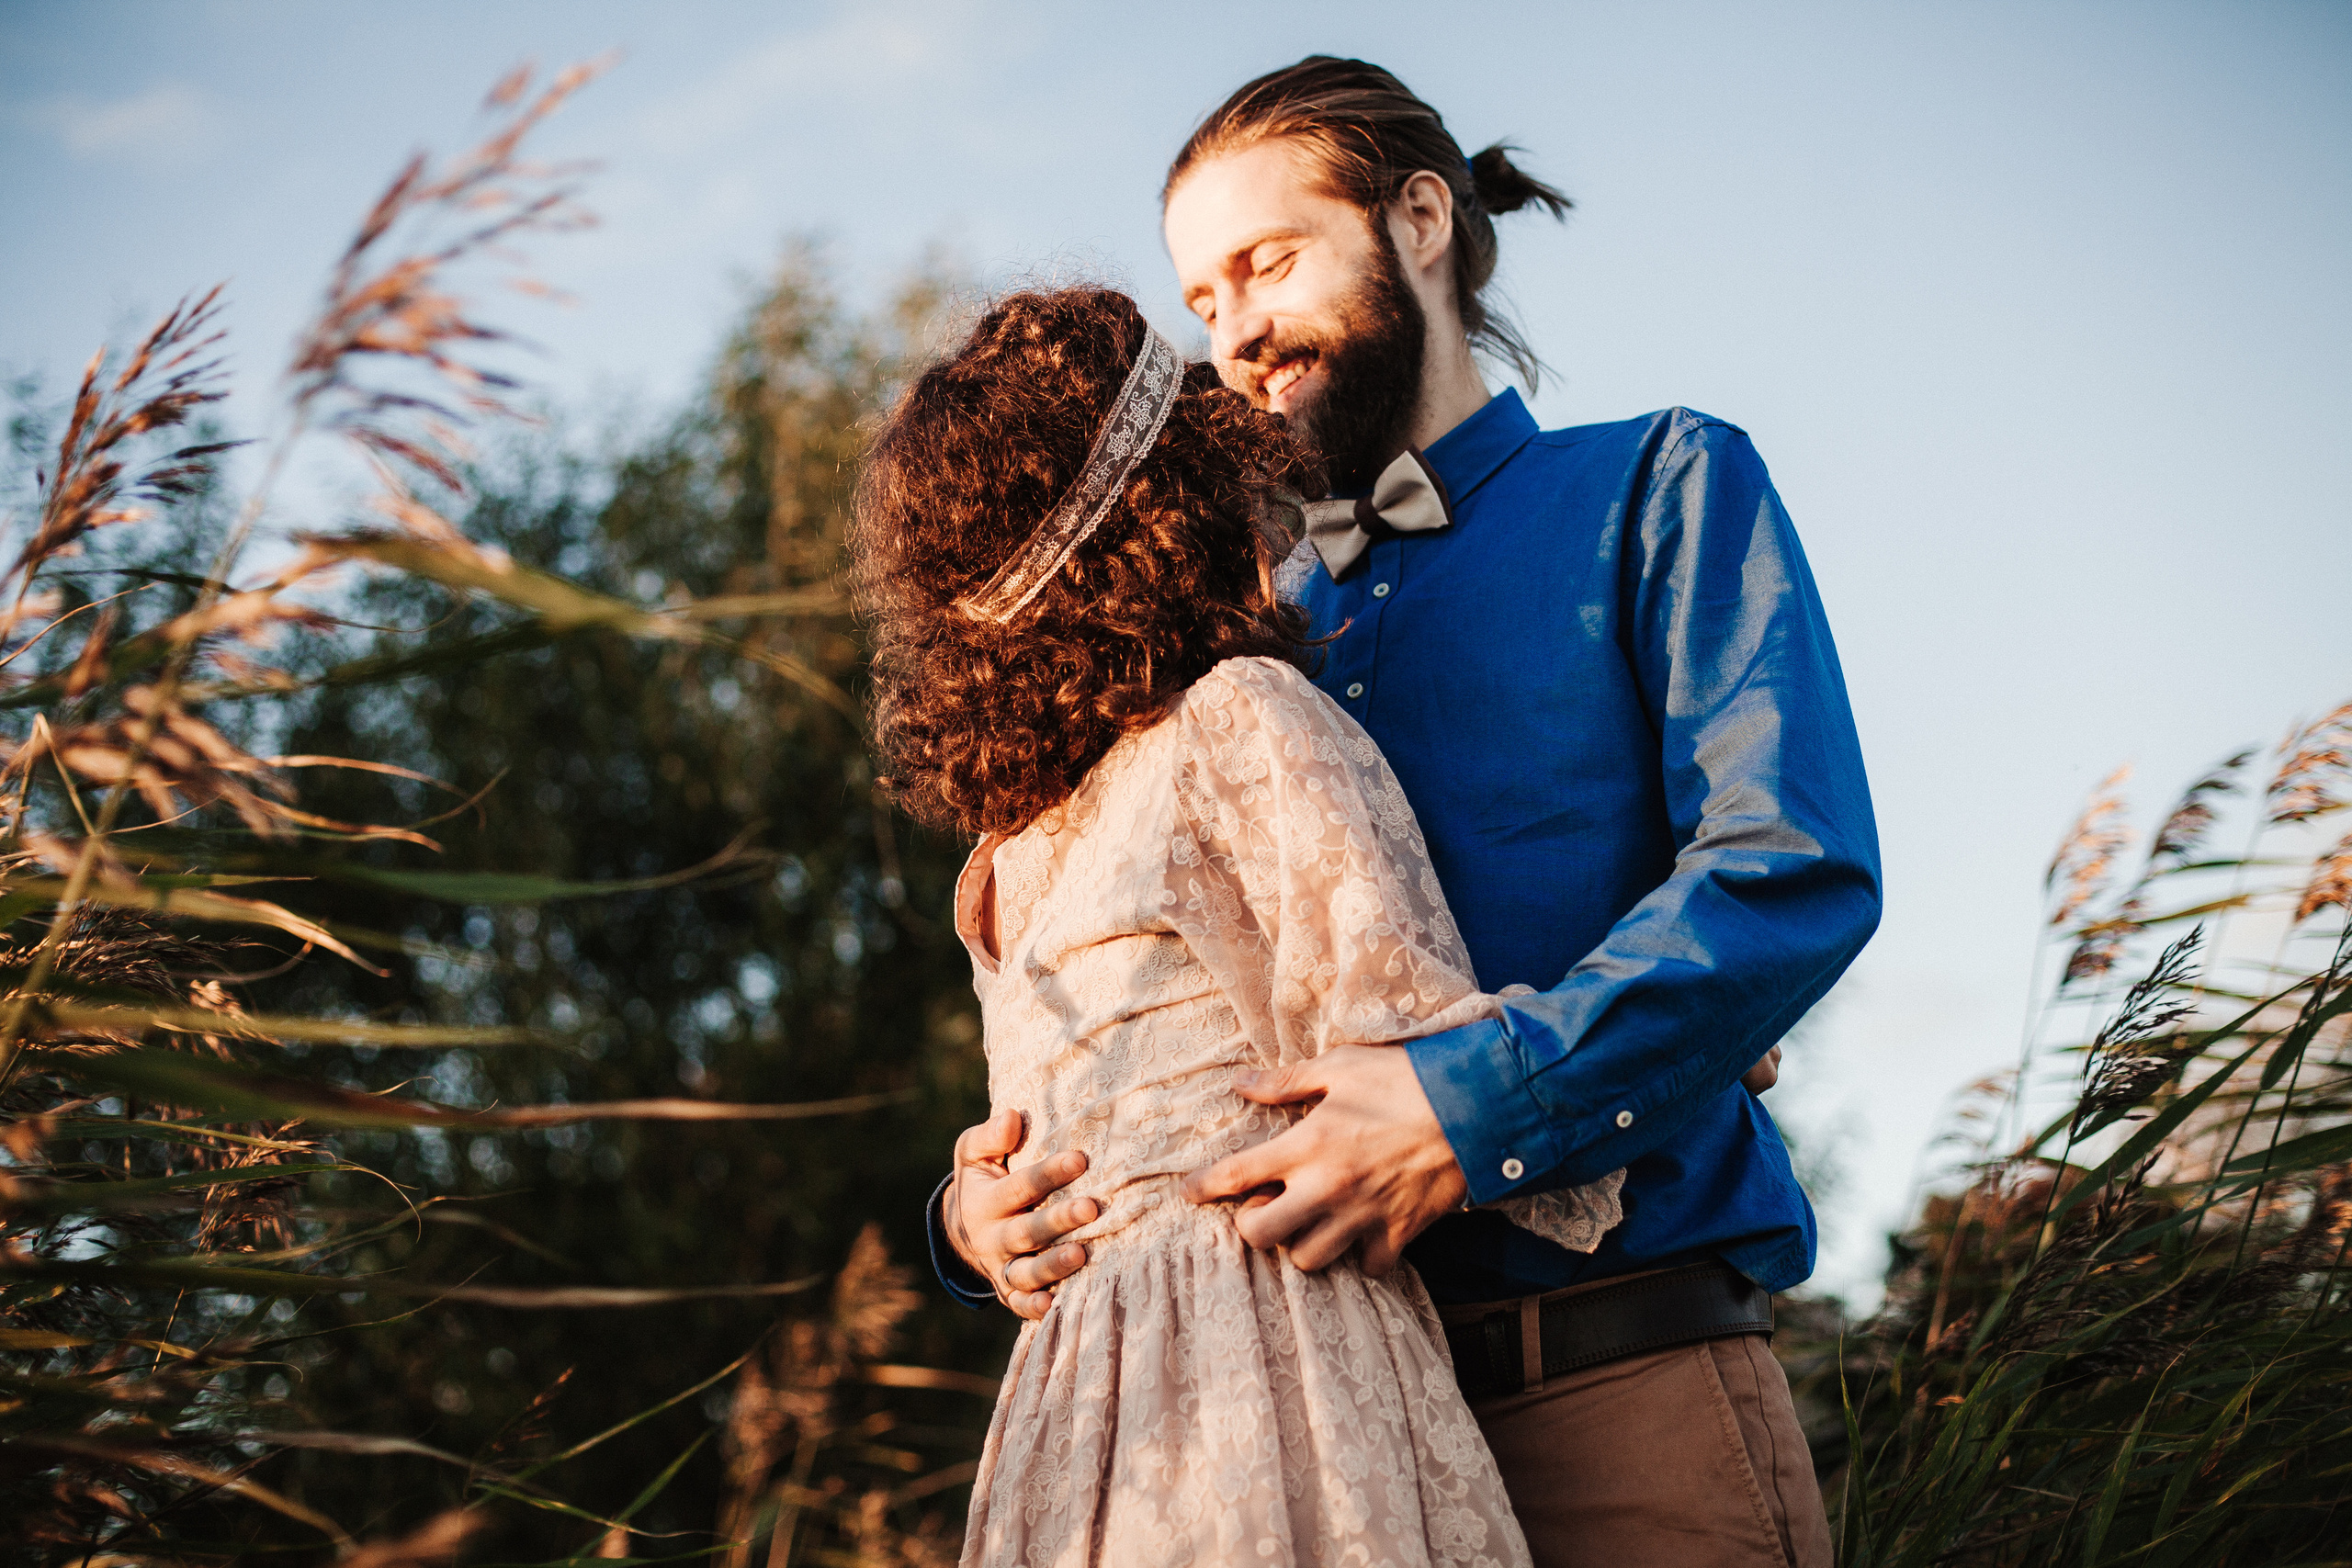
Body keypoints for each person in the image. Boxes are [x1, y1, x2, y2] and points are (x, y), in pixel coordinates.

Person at [928, 57, 1881, 1568]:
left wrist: (1475, 1109)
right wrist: (977, 1224)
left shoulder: (1660, 485)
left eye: (1265, 262)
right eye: (1202, 298)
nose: (1231, 330)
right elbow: (1113, 984)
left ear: (1418, 217)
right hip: (1287, 1443)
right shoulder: (1204, 638)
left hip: (1613, 1384)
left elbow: (1792, 870)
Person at [856, 285, 1631, 1567]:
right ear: (1181, 502)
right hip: (1263, 1345)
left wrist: (964, 1218)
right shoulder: (1234, 721)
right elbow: (1402, 1063)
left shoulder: (1002, 861)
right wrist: (1642, 1039)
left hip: (1079, 1404)